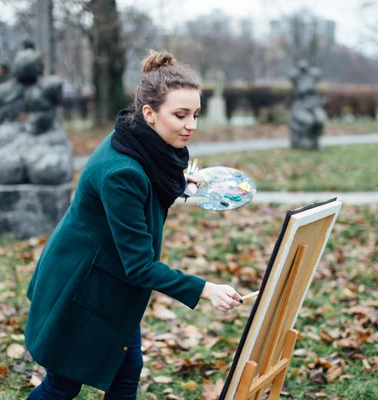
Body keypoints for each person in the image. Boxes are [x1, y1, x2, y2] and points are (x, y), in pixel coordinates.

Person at [24, 50, 243, 400]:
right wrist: (206, 289)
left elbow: (150, 186)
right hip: (82, 289)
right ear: (150, 113)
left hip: (107, 283)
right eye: (181, 115)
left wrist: (183, 185)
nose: (192, 125)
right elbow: (139, 265)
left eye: (196, 115)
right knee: (62, 385)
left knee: (126, 374)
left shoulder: (137, 140)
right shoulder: (123, 171)